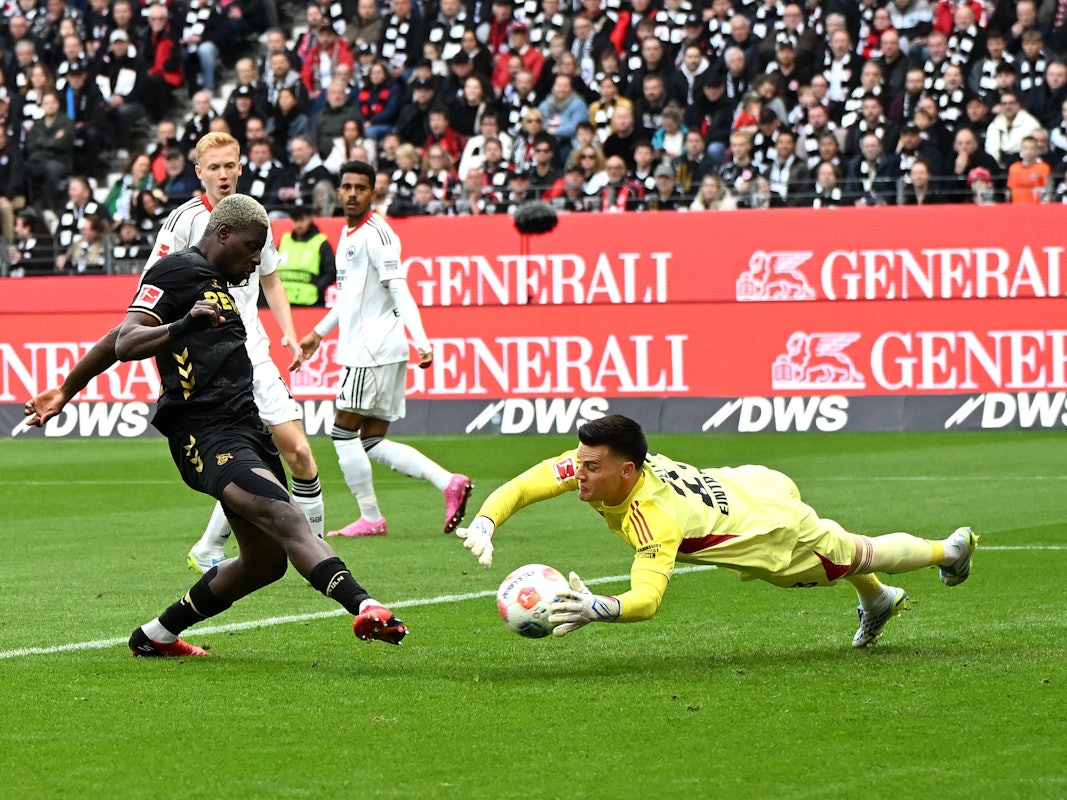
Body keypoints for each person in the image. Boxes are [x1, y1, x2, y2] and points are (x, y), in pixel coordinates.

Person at [109, 194, 406, 656]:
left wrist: (63, 391)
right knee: (285, 514)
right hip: (206, 435)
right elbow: (124, 340)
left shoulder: (222, 285)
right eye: (252, 248)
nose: (256, 259)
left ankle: (155, 635)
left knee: (265, 563)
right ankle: (365, 604)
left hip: (245, 425)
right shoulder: (175, 271)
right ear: (222, 233)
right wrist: (184, 325)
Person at [25, 132, 327, 578]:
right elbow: (149, 298)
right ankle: (276, 553)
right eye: (215, 167)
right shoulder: (183, 222)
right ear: (199, 171)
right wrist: (177, 331)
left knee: (297, 452)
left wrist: (289, 333)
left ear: (241, 167)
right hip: (205, 360)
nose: (224, 174)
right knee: (248, 459)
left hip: (254, 354)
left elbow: (272, 279)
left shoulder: (252, 221)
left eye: (231, 165)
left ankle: (297, 549)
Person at [455, 414, 979, 648]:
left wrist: (598, 607)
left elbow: (647, 599)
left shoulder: (653, 519)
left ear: (627, 472)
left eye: (591, 468)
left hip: (774, 531)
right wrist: (486, 518)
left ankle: (948, 549)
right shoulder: (603, 464)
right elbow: (528, 483)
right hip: (750, 484)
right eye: (580, 463)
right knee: (844, 558)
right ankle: (878, 603)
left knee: (857, 556)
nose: (578, 473)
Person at [293, 161, 473, 538]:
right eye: (347, 187)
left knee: (343, 434)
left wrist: (421, 339)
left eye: (361, 187)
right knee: (371, 440)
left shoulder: (379, 235)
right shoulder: (346, 235)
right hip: (377, 350)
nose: (353, 193)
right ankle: (449, 482)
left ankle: (371, 517)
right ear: (338, 192)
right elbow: (349, 297)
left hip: (371, 351)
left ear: (373, 193)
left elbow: (399, 289)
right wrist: (318, 332)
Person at [276, 206, 336, 306]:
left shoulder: (321, 242)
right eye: (295, 220)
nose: (298, 225)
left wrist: (317, 287)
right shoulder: (284, 240)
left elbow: (331, 271)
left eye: (302, 220)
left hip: (311, 302)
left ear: (310, 218)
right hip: (282, 302)